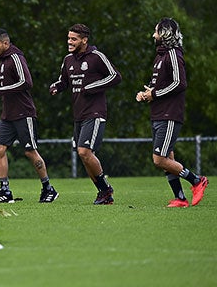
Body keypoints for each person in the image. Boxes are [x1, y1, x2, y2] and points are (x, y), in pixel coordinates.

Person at [135, 17, 208, 207]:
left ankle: (196, 180)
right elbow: (158, 85)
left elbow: (179, 83)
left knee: (159, 159)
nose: (153, 35)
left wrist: (155, 93)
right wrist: (146, 94)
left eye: (156, 31)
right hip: (158, 112)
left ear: (165, 33)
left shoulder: (174, 54)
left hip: (170, 114)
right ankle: (180, 198)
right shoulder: (160, 56)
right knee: (168, 157)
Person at [0, 28, 58, 203]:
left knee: (30, 151)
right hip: (8, 115)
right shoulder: (2, 62)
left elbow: (26, 82)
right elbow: (7, 83)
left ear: (5, 43)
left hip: (23, 113)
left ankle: (48, 188)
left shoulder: (16, 58)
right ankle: (5, 191)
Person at [49, 24, 122, 204]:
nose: (70, 42)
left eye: (74, 39)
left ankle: (105, 189)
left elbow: (115, 76)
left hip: (95, 112)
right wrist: (56, 87)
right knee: (84, 156)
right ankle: (103, 193)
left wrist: (92, 87)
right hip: (78, 114)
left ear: (84, 40)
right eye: (68, 38)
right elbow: (63, 80)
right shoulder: (68, 60)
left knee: (85, 151)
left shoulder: (96, 57)